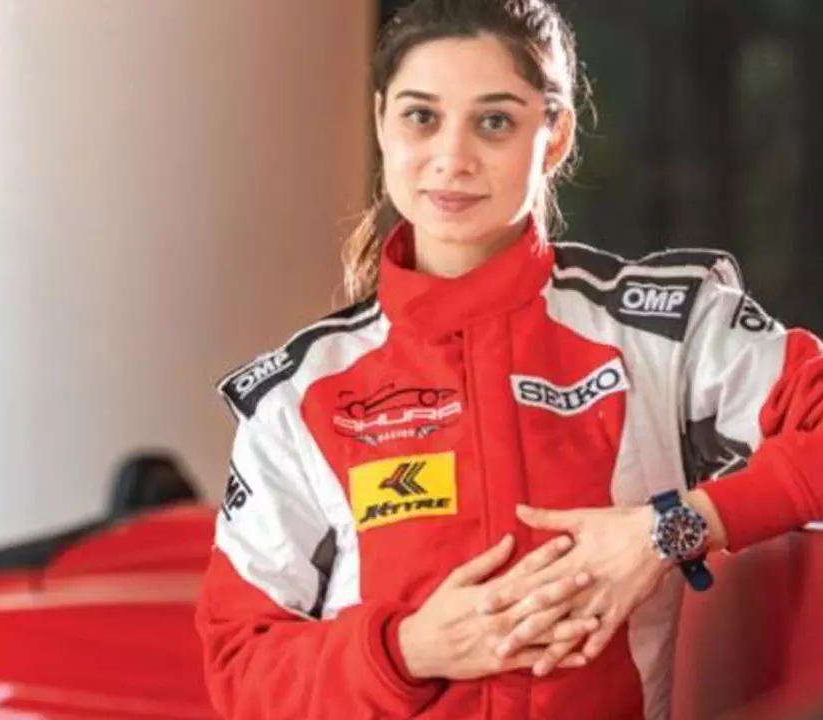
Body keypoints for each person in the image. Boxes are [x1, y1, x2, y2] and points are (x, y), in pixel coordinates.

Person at [193, 0, 823, 718]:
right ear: (382, 123)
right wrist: (407, 650)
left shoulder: (664, 331)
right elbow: (241, 664)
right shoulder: (301, 393)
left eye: (494, 121)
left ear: (555, 137)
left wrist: (670, 530)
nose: (452, 158)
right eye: (421, 116)